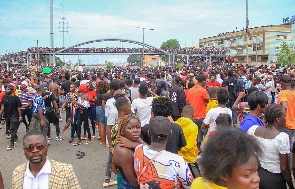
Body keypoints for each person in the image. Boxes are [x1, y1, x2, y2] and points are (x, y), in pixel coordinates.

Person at [134, 116, 193, 188]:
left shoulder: (138, 150)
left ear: (149, 133)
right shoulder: (178, 161)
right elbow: (189, 185)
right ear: (170, 134)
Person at [191, 129, 261, 189]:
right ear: (224, 175)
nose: (257, 179)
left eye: (255, 171)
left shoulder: (198, 183)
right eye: (247, 175)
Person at [12, 130, 81, 189]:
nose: (35, 150)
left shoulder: (66, 171)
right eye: (30, 147)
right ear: (24, 150)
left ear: (47, 147)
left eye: (40, 146)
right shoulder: (17, 173)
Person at [247, 104, 293, 189]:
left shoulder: (254, 130)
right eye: (285, 116)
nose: (286, 118)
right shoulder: (281, 138)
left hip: (258, 174)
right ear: (278, 119)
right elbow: (284, 169)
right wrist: (290, 185)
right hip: (275, 180)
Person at [111, 115, 141, 189]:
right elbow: (134, 183)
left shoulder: (134, 140)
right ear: (123, 130)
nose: (135, 130)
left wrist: (136, 143)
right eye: (130, 128)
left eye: (138, 127)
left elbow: (150, 151)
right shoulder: (123, 151)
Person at [186, 74, 209, 152]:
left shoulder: (190, 90)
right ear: (202, 81)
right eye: (205, 81)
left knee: (196, 135)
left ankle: (197, 149)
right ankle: (207, 151)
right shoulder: (203, 91)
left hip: (193, 116)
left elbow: (188, 102)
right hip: (202, 116)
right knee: (205, 134)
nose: (206, 82)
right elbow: (208, 100)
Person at [175, 105, 199, 177]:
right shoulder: (193, 127)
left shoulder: (175, 124)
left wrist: (177, 149)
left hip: (177, 157)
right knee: (196, 178)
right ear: (193, 115)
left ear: (181, 114)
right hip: (189, 159)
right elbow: (189, 146)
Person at [0, 84, 22, 150]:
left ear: (12, 90)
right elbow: (3, 106)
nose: (7, 90)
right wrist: (0, 113)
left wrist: (20, 116)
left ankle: (11, 144)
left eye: (8, 89)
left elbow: (19, 108)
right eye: (6, 89)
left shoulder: (16, 98)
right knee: (9, 129)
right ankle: (15, 136)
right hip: (7, 114)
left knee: (12, 128)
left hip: (14, 115)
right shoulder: (4, 97)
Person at [278, 75, 295, 148]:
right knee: (291, 146)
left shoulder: (283, 93)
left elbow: (284, 106)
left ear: (282, 84)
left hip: (285, 124)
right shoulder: (294, 93)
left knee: (285, 148)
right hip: (293, 125)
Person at [96, 81, 109, 147]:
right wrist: (106, 112)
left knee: (99, 125)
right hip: (102, 109)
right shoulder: (104, 95)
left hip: (97, 108)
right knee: (103, 127)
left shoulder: (98, 93)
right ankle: (103, 143)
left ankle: (101, 140)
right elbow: (103, 105)